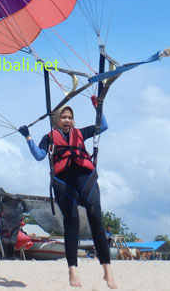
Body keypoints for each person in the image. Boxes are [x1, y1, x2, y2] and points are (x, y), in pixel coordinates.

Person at [19, 105, 117, 289]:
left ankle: (107, 270)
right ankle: (72, 269)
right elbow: (39, 156)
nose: (67, 120)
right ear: (56, 120)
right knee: (72, 221)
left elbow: (103, 126)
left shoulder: (80, 132)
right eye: (63, 117)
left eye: (70, 117)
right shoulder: (49, 138)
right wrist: (27, 136)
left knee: (95, 215)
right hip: (63, 182)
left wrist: (99, 107)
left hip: (85, 178)